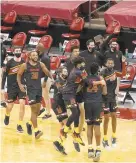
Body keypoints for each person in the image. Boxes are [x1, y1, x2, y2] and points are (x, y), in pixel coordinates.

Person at [17, 51, 53, 139]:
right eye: (33, 55)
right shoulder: (25, 65)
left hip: (38, 90)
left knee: (37, 111)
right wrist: (20, 85)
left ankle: (29, 124)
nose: (36, 56)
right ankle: (36, 131)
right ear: (29, 56)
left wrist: (52, 78)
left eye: (36, 55)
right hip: (30, 91)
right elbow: (18, 75)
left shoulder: (40, 64)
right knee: (34, 110)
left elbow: (47, 71)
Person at [100, 57, 126, 148]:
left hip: (112, 98)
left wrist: (123, 63)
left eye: (112, 63)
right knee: (106, 118)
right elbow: (100, 83)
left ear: (113, 64)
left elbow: (123, 74)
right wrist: (108, 79)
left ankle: (114, 136)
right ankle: (105, 138)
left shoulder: (115, 72)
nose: (110, 64)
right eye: (109, 63)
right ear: (106, 64)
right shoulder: (102, 72)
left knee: (114, 116)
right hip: (105, 98)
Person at [84, 62, 107, 162]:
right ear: (97, 70)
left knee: (89, 126)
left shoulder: (86, 79)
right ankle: (98, 149)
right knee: (97, 126)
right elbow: (105, 92)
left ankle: (90, 148)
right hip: (97, 104)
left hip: (87, 104)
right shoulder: (100, 79)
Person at [1, 47, 26, 133]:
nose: (18, 52)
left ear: (21, 52)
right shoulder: (9, 63)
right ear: (13, 52)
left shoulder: (24, 62)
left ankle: (19, 125)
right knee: (10, 106)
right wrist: (2, 88)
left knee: (22, 103)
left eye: (19, 51)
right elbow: (4, 76)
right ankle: (7, 115)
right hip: (11, 87)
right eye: (16, 51)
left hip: (21, 86)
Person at [36, 43, 52, 119]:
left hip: (46, 78)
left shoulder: (45, 58)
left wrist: (45, 81)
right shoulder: (38, 57)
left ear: (40, 49)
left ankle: (48, 113)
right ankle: (41, 108)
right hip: (40, 78)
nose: (35, 50)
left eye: (37, 49)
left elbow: (48, 70)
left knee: (46, 96)